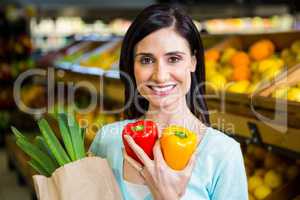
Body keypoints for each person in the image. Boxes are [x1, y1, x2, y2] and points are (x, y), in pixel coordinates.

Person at [89, 4, 248, 200]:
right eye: (146, 60)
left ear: (193, 61)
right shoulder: (107, 140)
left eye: (173, 59)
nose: (161, 76)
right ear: (132, 65)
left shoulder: (223, 154)